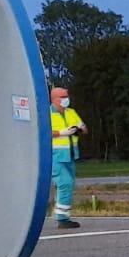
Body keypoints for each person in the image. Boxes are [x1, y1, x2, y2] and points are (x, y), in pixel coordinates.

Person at [49, 86, 87, 229]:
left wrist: (80, 129)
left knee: (66, 185)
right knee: (65, 183)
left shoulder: (71, 113)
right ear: (55, 99)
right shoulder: (47, 114)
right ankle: (62, 218)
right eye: (63, 97)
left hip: (70, 155)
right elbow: (43, 132)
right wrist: (61, 133)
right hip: (55, 156)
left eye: (67, 96)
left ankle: (61, 215)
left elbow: (85, 129)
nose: (66, 99)